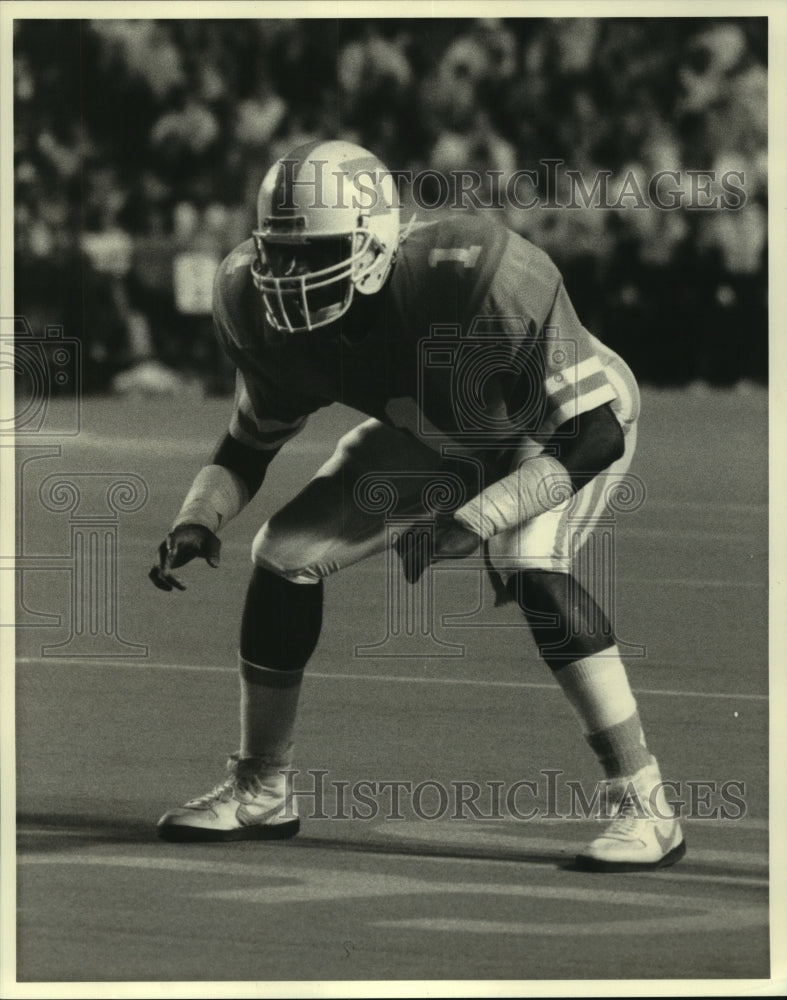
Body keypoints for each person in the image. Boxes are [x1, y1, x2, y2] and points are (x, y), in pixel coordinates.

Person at [150, 139, 685, 872]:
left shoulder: (472, 269)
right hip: (435, 433)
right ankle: (262, 787)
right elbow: (249, 442)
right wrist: (197, 516)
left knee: (525, 560)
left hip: (550, 429)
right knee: (284, 554)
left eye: (315, 253)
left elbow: (589, 434)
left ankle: (643, 804)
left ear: (374, 243)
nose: (287, 276)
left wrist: (477, 517)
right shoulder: (251, 300)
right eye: (277, 252)